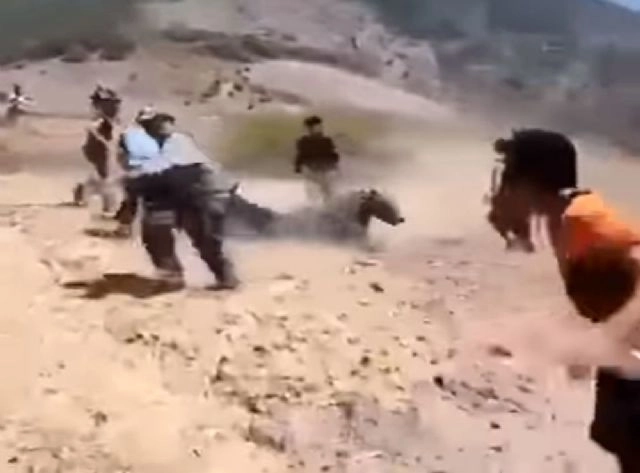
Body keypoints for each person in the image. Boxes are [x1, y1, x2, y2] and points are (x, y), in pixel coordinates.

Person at [118, 111, 239, 290]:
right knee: (157, 233)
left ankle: (224, 276)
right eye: (151, 123)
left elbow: (171, 171)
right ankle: (172, 275)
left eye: (162, 121)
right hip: (176, 196)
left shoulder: (179, 141)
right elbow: (140, 177)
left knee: (205, 239)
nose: (159, 126)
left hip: (198, 195)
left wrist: (132, 198)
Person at [487, 129, 577, 253]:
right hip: (557, 168)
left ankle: (524, 245)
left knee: (509, 214)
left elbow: (507, 189)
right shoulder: (524, 147)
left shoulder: (517, 155)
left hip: (545, 173)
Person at [73, 85, 122, 213]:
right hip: (103, 158)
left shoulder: (106, 124)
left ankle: (84, 193)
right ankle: (86, 194)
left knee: (102, 182)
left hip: (105, 160)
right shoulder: (100, 124)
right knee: (104, 182)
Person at [294, 115, 340, 203]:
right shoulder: (304, 141)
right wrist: (298, 166)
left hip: (325, 171)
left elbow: (333, 155)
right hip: (313, 172)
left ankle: (329, 206)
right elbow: (301, 155)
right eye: (317, 126)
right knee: (316, 194)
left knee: (328, 192)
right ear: (309, 128)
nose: (320, 128)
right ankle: (321, 208)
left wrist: (335, 166)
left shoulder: (326, 140)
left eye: (320, 126)